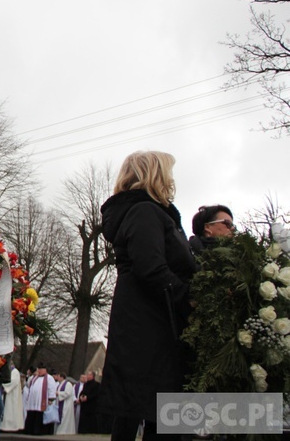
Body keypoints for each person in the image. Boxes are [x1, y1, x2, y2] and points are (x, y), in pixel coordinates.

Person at [99, 151, 196, 440]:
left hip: (143, 320)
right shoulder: (145, 211)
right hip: (152, 323)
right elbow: (151, 267)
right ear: (154, 174)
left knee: (144, 410)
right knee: (159, 410)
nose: (171, 180)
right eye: (168, 172)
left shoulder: (146, 212)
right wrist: (190, 299)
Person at [23, 364, 56, 435]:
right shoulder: (34, 377)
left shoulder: (49, 378)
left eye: (41, 369)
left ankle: (39, 431)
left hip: (42, 401)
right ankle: (30, 430)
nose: (40, 371)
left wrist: (51, 399)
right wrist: (30, 375)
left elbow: (52, 389)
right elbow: (28, 384)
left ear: (45, 370)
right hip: (33, 401)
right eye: (39, 369)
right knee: (31, 415)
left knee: (40, 415)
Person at [0, 363, 23, 433]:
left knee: (10, 411)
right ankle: (4, 427)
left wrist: (3, 386)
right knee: (6, 411)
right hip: (6, 395)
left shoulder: (15, 372)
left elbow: (13, 382)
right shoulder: (8, 372)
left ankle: (10, 428)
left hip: (11, 396)